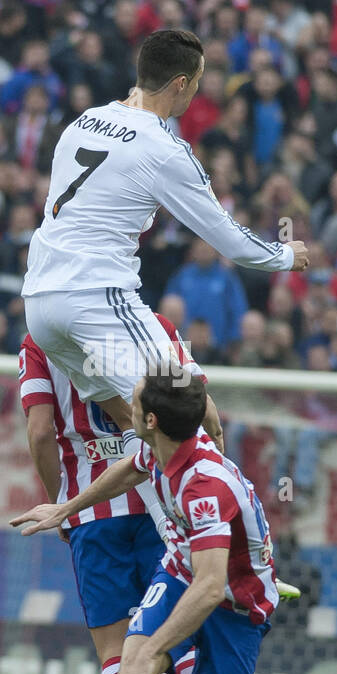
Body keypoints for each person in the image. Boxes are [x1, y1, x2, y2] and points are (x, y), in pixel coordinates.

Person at [12, 366, 298, 674]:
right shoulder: (162, 447)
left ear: (149, 418)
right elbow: (129, 469)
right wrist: (66, 508)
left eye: (137, 392)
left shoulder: (203, 484)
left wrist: (153, 648)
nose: (128, 390)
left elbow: (210, 588)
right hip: (180, 575)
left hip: (234, 608)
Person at [20, 313, 231, 674]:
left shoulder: (40, 337)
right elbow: (207, 413)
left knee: (118, 658)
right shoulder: (150, 323)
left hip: (95, 509)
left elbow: (41, 433)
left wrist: (63, 504)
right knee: (176, 640)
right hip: (163, 501)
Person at [21, 29, 309, 437]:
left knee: (134, 428)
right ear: (180, 84)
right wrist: (283, 256)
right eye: (196, 82)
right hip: (95, 298)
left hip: (40, 304)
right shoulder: (164, 148)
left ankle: (127, 504)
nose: (194, 93)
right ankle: (213, 502)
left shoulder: (83, 121)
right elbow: (224, 234)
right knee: (193, 414)